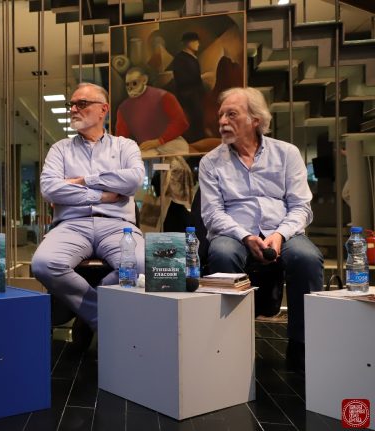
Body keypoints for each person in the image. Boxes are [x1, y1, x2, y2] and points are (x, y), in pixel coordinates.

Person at [198, 87, 323, 367]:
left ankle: (302, 347)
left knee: (306, 257)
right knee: (222, 254)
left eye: (232, 114)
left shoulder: (287, 154)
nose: (222, 122)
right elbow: (212, 214)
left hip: (283, 230)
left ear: (255, 119)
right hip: (233, 232)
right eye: (221, 115)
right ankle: (230, 346)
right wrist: (245, 236)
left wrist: (279, 235)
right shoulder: (210, 162)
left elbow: (301, 207)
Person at [31, 83, 145, 342]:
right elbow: (49, 189)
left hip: (118, 225)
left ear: (103, 109)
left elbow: (133, 180)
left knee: (140, 264)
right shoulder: (60, 149)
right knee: (43, 264)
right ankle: (100, 316)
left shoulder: (125, 146)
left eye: (81, 104)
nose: (73, 109)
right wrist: (101, 195)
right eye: (71, 104)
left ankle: (86, 310)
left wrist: (82, 181)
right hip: (71, 225)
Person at [115, 67, 190, 157]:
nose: (130, 88)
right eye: (127, 85)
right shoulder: (123, 108)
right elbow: (121, 138)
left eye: (134, 83)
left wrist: (159, 141)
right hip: (146, 150)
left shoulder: (164, 97)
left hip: (171, 144)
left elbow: (181, 122)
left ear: (144, 80)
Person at [170, 32, 206, 143]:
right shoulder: (180, 59)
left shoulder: (192, 57)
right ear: (188, 43)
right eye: (195, 41)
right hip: (186, 93)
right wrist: (201, 78)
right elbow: (182, 79)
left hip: (195, 91)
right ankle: (197, 137)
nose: (198, 44)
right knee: (197, 112)